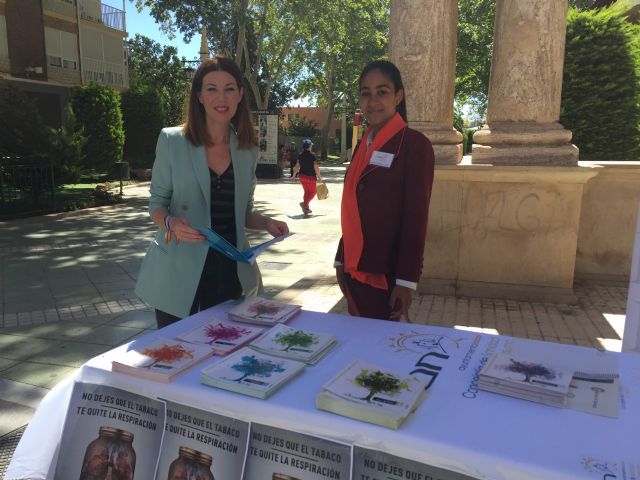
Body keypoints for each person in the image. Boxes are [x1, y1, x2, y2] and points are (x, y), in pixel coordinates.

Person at [135, 56, 289, 328]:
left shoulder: (247, 149)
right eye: (212, 88)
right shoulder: (172, 141)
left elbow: (244, 212)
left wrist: (266, 223)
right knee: (179, 353)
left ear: (240, 94)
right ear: (199, 96)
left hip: (229, 271)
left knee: (223, 349)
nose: (222, 97)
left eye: (230, 88)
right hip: (179, 271)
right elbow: (156, 205)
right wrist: (171, 223)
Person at [335, 60, 435, 322]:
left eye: (382, 92)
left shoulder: (414, 145)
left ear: (398, 96)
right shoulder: (363, 144)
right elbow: (351, 208)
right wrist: (340, 259)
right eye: (365, 93)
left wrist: (406, 281)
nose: (372, 101)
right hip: (354, 269)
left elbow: (416, 219)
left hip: (385, 276)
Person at [292, 138, 322, 216]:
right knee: (313, 192)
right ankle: (304, 204)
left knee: (307, 192)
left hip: (302, 176)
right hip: (310, 177)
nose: (312, 146)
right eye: (311, 145)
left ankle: (306, 209)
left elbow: (297, 166)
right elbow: (316, 167)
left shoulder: (300, 155)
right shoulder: (312, 156)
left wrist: (294, 175)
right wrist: (319, 176)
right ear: (309, 146)